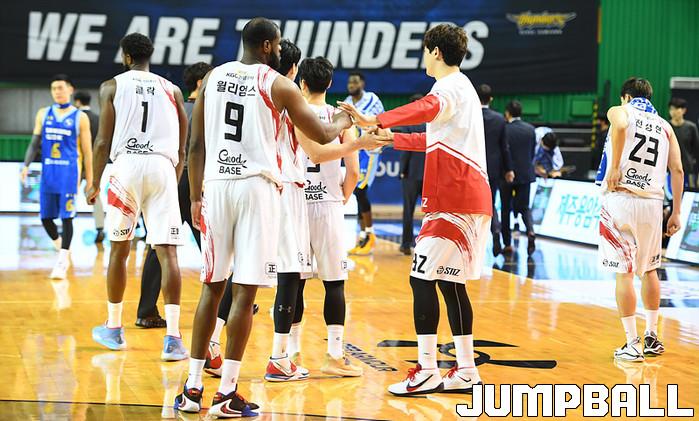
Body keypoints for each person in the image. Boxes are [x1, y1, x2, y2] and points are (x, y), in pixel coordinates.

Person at [174, 18, 377, 417]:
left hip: (215, 185)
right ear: (267, 45)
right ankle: (226, 392)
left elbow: (195, 145)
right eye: (279, 44)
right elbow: (322, 134)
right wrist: (347, 119)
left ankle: (193, 388)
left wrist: (196, 196)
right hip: (257, 188)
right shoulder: (279, 84)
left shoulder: (213, 77)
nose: (281, 50)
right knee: (245, 292)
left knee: (211, 288)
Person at [339, 23, 492, 396]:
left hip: (455, 201)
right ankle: (466, 370)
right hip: (467, 198)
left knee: (421, 279)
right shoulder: (463, 88)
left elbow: (427, 107)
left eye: (425, 50)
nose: (424, 56)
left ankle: (426, 369)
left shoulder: (448, 87)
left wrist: (376, 120)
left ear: (435, 51)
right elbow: (433, 139)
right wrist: (392, 138)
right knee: (450, 283)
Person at [88, 33, 189, 362]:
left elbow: (102, 141)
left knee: (119, 250)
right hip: (162, 167)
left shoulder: (111, 86)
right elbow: (183, 146)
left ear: (127, 56)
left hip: (126, 167)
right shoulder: (172, 90)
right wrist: (173, 178)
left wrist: (93, 181)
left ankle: (114, 328)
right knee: (168, 253)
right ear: (149, 55)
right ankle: (173, 338)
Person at [596, 77, 684, 361]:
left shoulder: (621, 110)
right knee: (650, 269)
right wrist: (677, 211)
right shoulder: (665, 125)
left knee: (624, 273)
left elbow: (621, 124)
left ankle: (632, 343)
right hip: (653, 203)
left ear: (625, 97)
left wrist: (614, 166)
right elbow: (678, 170)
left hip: (621, 199)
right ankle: (652, 336)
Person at [287, 56, 363, 378]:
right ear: (330, 83)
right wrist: (341, 198)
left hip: (296, 205)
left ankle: (291, 352)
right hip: (328, 205)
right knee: (334, 283)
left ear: (302, 83)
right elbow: (354, 171)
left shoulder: (292, 114)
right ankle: (334, 355)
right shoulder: (341, 119)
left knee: (295, 283)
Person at [134, 61, 212, 330]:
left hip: (169, 180)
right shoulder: (207, 110)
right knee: (212, 243)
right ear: (200, 83)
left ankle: (146, 311)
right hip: (195, 182)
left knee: (159, 246)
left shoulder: (170, 108)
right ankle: (229, 302)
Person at [21, 74, 93, 279]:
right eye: (54, 88)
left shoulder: (80, 117)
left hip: (70, 174)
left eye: (61, 88)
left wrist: (91, 180)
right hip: (48, 173)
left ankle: (61, 261)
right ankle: (62, 249)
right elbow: (34, 143)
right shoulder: (43, 113)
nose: (57, 92)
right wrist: (25, 165)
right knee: (45, 218)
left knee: (67, 218)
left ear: (70, 89)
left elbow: (88, 152)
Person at [345, 71, 385, 255]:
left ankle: (370, 235)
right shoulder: (347, 101)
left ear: (362, 83)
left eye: (355, 82)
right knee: (357, 192)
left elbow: (384, 122)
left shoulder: (372, 99)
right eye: (349, 82)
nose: (351, 85)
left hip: (369, 151)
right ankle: (362, 236)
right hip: (355, 150)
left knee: (361, 190)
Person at [477, 84, 514, 256]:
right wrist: (508, 169)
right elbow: (504, 147)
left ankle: (474, 244)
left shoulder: (470, 116)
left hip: (473, 167)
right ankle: (496, 230)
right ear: (491, 99)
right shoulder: (499, 119)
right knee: (490, 203)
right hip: (493, 169)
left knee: (471, 207)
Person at [501, 100, 537, 256]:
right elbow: (532, 152)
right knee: (524, 207)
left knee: (505, 209)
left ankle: (507, 243)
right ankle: (530, 230)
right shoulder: (530, 129)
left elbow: (503, 151)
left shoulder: (504, 129)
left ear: (507, 113)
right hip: (525, 174)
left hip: (506, 174)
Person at [395, 94, 427, 256]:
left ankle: (406, 244)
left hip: (411, 174)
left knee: (408, 210)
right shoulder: (432, 124)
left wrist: (402, 170)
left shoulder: (408, 124)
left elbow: (406, 150)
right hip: (429, 174)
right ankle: (427, 246)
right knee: (430, 213)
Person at [73, 91, 105, 243]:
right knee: (95, 195)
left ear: (77, 102)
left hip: (77, 162)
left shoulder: (75, 117)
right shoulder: (98, 119)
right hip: (95, 163)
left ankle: (67, 225)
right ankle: (100, 228)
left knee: (70, 194)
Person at [668, 97, 699, 188]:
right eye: (671, 109)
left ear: (684, 110)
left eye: (676, 109)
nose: (673, 112)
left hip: (688, 171)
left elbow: (697, 151)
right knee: (669, 196)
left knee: (687, 195)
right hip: (668, 171)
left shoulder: (691, 127)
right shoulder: (666, 126)